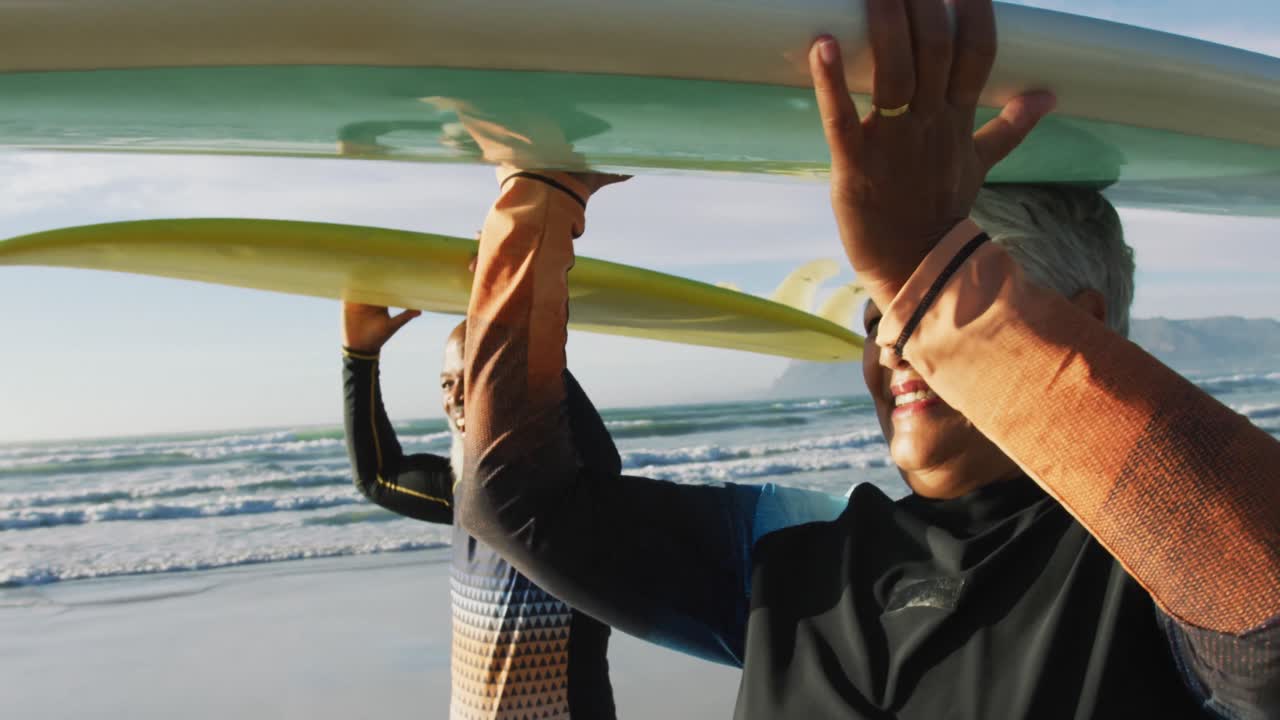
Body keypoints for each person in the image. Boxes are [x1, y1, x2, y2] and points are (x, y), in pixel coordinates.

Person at [451, 1, 1280, 718]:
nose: (890, 337)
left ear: (1080, 322)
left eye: (916, 298)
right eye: (879, 305)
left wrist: (933, 269)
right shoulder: (802, 551)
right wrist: (540, 196)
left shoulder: (1142, 582)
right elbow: (524, 503)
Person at [340, 308, 617, 719]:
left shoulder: (565, 483)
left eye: (473, 377)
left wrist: (519, 323)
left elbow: (603, 463)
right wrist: (360, 357)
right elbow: (378, 477)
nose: (454, 396)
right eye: (447, 382)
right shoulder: (463, 491)